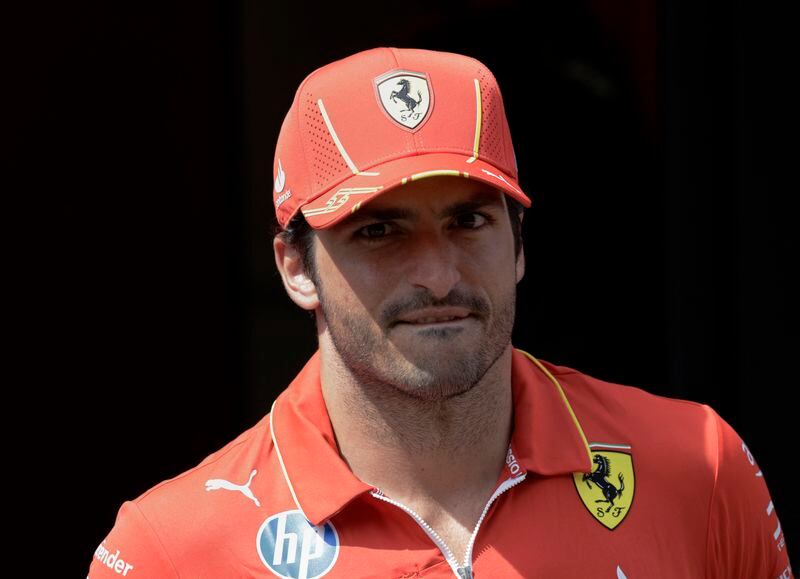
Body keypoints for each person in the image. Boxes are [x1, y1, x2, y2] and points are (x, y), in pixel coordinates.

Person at [87, 47, 793, 579]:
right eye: (379, 230)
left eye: (467, 220)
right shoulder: (169, 549)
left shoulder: (696, 467)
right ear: (296, 268)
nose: (438, 273)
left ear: (518, 244)